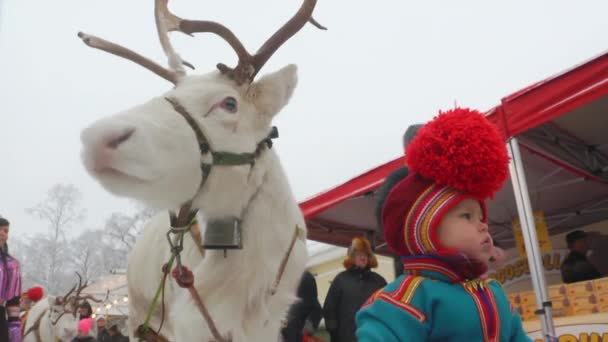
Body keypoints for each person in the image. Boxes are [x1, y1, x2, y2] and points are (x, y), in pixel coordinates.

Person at [356, 108, 531, 341]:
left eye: (481, 218)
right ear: (427, 230)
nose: (483, 226)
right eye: (467, 216)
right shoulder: (407, 299)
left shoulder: (494, 292)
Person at [323, 237, 386, 342]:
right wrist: (334, 333)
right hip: (345, 337)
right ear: (352, 257)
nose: (363, 257)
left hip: (372, 336)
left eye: (366, 254)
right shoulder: (341, 279)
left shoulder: (379, 281)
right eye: (359, 254)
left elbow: (386, 308)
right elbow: (329, 308)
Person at [281, 270, 322, 342]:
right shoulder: (306, 276)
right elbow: (317, 310)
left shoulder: (304, 277)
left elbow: (316, 309)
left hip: (291, 329)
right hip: (295, 329)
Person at [0, 217, 22, 342]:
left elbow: (13, 301)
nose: (2, 233)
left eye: (6, 231)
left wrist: (15, 331)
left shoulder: (12, 265)